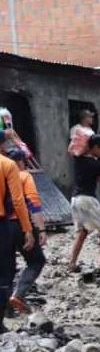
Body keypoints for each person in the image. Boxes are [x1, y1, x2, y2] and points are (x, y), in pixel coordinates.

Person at [0, 131, 34, 332]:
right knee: (5, 271)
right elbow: (18, 201)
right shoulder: (8, 164)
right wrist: (27, 229)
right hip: (2, 222)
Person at [6, 149, 45, 314]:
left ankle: (6, 309)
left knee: (7, 268)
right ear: (22, 162)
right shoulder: (24, 176)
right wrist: (41, 229)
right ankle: (18, 295)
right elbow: (33, 203)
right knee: (36, 261)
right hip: (20, 224)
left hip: (2, 225)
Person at [67, 134, 100, 273]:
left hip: (75, 199)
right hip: (87, 199)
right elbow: (99, 179)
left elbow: (72, 149)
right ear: (95, 147)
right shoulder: (95, 163)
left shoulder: (78, 159)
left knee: (83, 232)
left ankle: (72, 263)